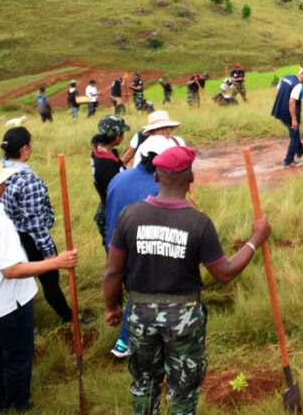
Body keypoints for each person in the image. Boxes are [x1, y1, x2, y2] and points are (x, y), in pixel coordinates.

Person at [103, 146, 271, 414]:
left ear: (156, 177)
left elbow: (112, 271)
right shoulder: (198, 223)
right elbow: (224, 273)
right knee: (183, 390)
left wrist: (112, 307)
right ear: (191, 177)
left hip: (140, 314)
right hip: (183, 318)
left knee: (145, 383)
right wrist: (255, 240)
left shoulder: (130, 216)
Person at [0, 152, 78, 411]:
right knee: (18, 358)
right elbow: (12, 270)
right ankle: (20, 405)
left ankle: (0, 402)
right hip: (10, 304)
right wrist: (58, 262)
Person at [0, 127, 75, 324]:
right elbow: (34, 223)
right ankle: (68, 318)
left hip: (10, 234)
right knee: (50, 281)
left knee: (20, 281)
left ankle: (25, 322)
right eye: (30, 145)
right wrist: (50, 253)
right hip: (30, 239)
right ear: (24, 149)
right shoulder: (28, 181)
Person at [104, 148, 163, 359]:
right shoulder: (158, 188)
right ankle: (125, 341)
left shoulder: (119, 178)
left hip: (114, 246)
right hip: (139, 251)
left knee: (135, 291)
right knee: (141, 292)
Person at [91, 115, 130, 244]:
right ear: (117, 136)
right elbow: (114, 195)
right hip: (112, 213)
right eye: (123, 133)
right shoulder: (105, 164)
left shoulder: (101, 150)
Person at [272, 66, 303, 169]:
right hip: (289, 113)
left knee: (295, 132)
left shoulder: (286, 77)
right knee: (295, 135)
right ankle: (288, 161)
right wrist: (294, 119)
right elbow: (292, 102)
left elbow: (277, 93)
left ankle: (300, 150)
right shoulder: (298, 85)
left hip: (279, 109)